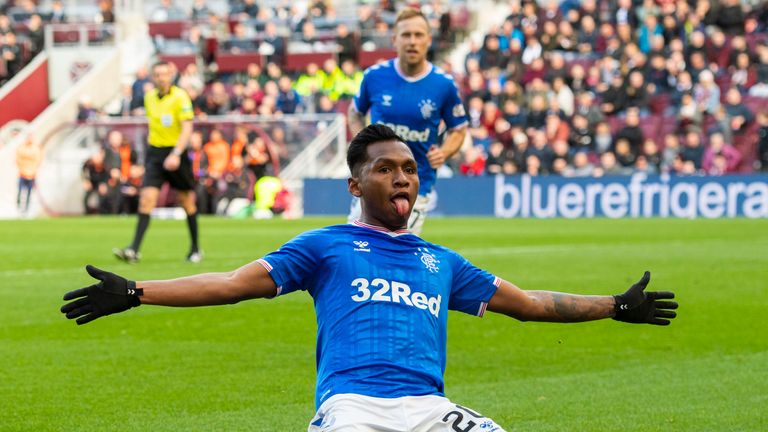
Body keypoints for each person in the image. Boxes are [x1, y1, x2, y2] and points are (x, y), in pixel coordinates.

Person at [61, 124, 678, 431]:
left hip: (429, 411)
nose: (403, 178)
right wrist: (138, 292)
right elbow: (230, 282)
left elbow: (533, 304)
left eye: (409, 169)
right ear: (357, 185)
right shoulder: (325, 247)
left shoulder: (442, 263)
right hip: (353, 410)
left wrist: (615, 306)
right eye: (386, 169)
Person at [347, 8, 468, 236]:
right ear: (394, 39)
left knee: (394, 253)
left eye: (418, 35)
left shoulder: (443, 85)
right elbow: (354, 113)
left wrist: (445, 152)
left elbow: (459, 129)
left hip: (413, 187)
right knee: (357, 248)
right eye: (406, 35)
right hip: (372, 181)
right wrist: (361, 143)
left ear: (428, 39)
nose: (412, 41)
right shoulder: (374, 76)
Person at [113, 61, 201, 264]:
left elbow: (187, 127)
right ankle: (134, 249)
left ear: (171, 75)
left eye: (165, 74)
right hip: (155, 153)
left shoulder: (181, 96)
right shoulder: (149, 97)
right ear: (153, 77)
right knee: (146, 199)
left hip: (176, 152)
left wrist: (177, 154)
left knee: (187, 202)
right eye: (158, 74)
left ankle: (195, 248)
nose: (161, 78)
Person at [15, 135, 43, 215]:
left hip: (32, 174)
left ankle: (26, 210)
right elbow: (17, 159)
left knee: (29, 193)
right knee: (20, 191)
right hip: (22, 173)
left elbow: (38, 161)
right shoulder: (21, 148)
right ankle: (19, 207)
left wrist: (34, 171)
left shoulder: (36, 149)